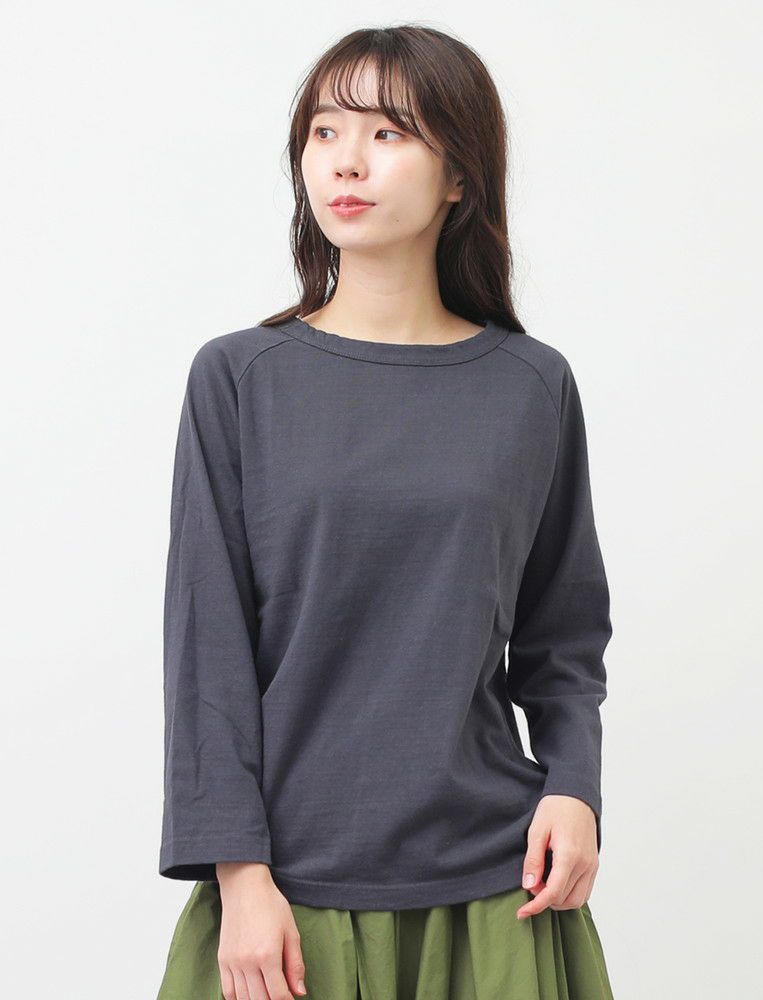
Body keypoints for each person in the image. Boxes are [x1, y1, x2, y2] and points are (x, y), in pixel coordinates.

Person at [156, 24, 615, 1000]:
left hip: (496, 886)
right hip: (287, 894)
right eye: (324, 132)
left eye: (387, 132)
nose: (346, 161)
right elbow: (208, 652)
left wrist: (574, 787)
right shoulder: (239, 379)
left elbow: (562, 631)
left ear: (460, 174)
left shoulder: (530, 385)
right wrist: (239, 875)